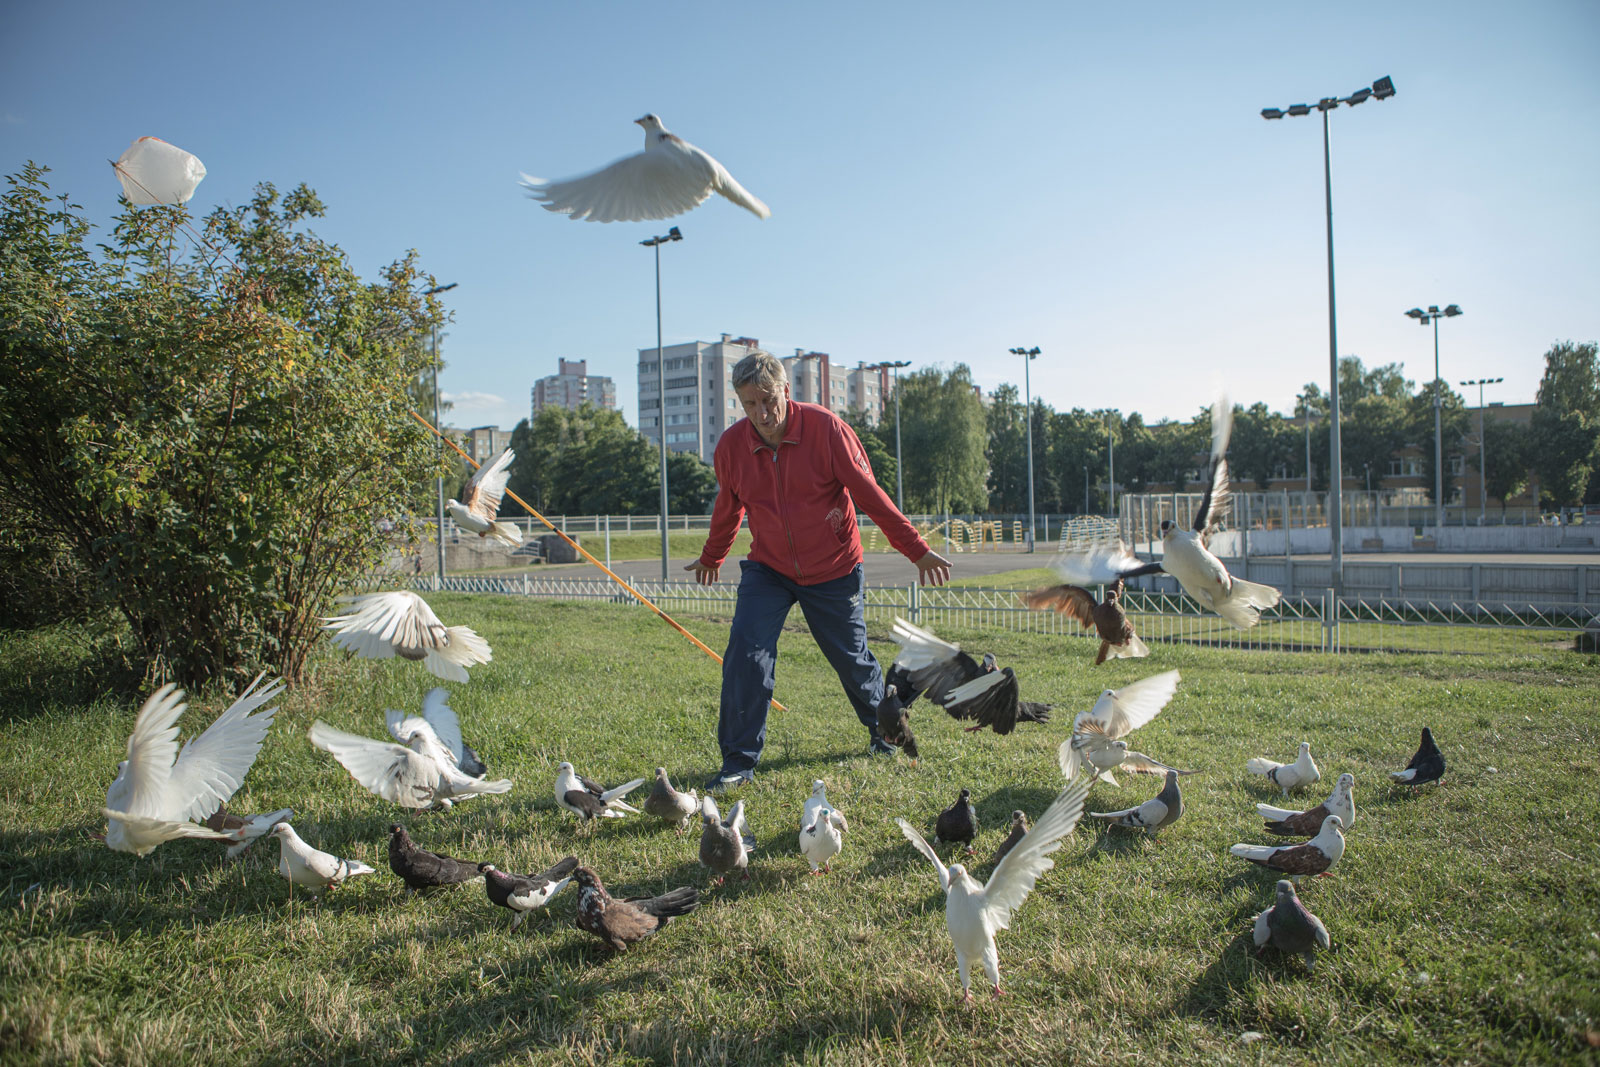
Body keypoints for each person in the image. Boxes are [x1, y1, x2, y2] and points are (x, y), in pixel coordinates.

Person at [686, 352, 951, 791]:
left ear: (786, 390)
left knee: (852, 659)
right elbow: (727, 508)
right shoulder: (732, 447)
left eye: (768, 399)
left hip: (833, 566)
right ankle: (737, 761)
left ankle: (885, 732)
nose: (762, 413)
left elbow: (869, 495)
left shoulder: (827, 430)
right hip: (769, 568)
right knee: (745, 654)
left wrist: (916, 549)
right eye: (749, 404)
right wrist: (713, 556)